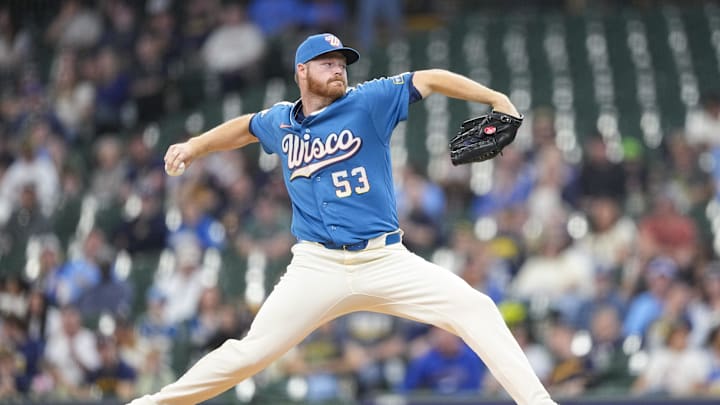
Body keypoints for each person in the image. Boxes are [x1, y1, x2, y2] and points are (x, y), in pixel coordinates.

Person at [128, 33, 557, 405]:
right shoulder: (282, 120)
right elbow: (246, 127)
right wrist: (194, 146)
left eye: (342, 63)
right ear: (302, 71)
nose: (339, 69)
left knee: (475, 307)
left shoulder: (368, 101)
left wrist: (494, 99)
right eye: (327, 63)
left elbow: (429, 78)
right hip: (317, 266)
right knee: (251, 352)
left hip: (385, 260)